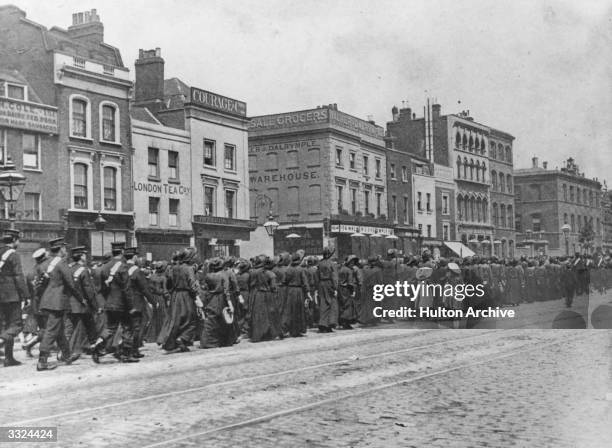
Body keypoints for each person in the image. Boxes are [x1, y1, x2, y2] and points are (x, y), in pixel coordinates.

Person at [37, 238, 84, 371]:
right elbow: (71, 284)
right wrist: (81, 299)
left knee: (59, 330)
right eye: (64, 248)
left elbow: (39, 284)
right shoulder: (62, 263)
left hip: (46, 301)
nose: (66, 250)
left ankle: (67, 355)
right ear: (61, 249)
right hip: (57, 302)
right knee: (52, 330)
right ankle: (42, 361)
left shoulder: (44, 263)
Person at [93, 241, 138, 363]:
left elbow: (101, 288)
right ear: (122, 252)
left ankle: (99, 344)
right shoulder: (123, 266)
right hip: (122, 304)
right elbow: (127, 289)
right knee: (128, 327)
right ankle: (126, 353)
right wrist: (131, 306)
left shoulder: (104, 267)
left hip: (109, 303)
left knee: (110, 328)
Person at [158, 247, 202, 352]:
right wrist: (197, 297)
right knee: (190, 319)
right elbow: (192, 285)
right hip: (186, 296)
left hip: (175, 296)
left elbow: (168, 283)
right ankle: (182, 339)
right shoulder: (189, 269)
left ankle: (171, 342)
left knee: (176, 320)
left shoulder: (173, 268)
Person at [0, 229, 30, 367]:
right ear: (14, 240)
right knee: (16, 325)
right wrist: (26, 295)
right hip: (11, 295)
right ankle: (2, 343)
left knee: (5, 326)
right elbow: (18, 276)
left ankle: (8, 358)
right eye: (18, 240)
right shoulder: (13, 255)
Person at [66, 246, 102, 356]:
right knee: (90, 327)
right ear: (81, 256)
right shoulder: (83, 270)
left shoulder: (68, 269)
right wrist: (95, 306)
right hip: (82, 304)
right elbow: (88, 290)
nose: (86, 257)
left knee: (69, 328)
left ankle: (65, 350)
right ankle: (94, 349)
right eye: (84, 255)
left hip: (69, 304)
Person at [125, 248, 155, 358]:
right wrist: (152, 301)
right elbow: (144, 289)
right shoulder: (136, 270)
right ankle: (133, 350)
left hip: (124, 301)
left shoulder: (121, 268)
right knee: (137, 326)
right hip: (136, 302)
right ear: (134, 257)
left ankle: (126, 348)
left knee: (127, 327)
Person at [200, 257, 235, 348]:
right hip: (221, 298)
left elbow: (205, 288)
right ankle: (225, 341)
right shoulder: (224, 275)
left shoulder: (208, 276)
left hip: (211, 299)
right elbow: (226, 291)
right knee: (224, 319)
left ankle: (208, 341)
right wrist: (230, 304)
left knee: (211, 320)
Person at [249, 256, 282, 342]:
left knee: (258, 315)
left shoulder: (253, 272)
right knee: (271, 314)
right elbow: (273, 287)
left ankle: (258, 335)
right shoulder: (270, 274)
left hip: (257, 295)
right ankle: (271, 333)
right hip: (267, 295)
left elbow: (251, 285)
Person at [282, 252, 309, 337]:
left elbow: (284, 281)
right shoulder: (301, 269)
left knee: (289, 310)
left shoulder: (288, 269)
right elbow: (305, 282)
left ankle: (288, 329)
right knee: (298, 310)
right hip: (298, 290)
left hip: (290, 290)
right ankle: (297, 330)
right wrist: (307, 292)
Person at [316, 247, 338, 333]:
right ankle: (329, 324)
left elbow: (316, 275)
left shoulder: (319, 264)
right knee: (332, 304)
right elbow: (334, 277)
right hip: (329, 284)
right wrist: (335, 288)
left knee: (323, 303)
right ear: (329, 254)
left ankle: (322, 324)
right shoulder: (332, 264)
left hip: (321, 284)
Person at [338, 255, 359, 329]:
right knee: (348, 305)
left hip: (340, 288)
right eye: (352, 262)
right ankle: (346, 323)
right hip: (346, 289)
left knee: (342, 305)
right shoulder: (349, 270)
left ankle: (341, 321)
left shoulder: (341, 269)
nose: (353, 264)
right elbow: (350, 282)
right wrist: (352, 291)